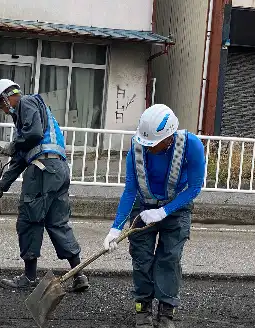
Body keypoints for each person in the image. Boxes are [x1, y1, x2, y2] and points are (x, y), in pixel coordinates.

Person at [103, 104, 205, 328]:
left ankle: (166, 311)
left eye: (153, 144)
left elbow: (195, 187)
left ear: (169, 137)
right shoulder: (137, 147)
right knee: (141, 257)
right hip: (144, 207)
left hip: (176, 207)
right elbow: (130, 190)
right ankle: (143, 307)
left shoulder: (192, 146)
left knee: (169, 257)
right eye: (145, 143)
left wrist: (164, 211)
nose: (148, 148)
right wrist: (116, 228)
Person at [0, 79, 89, 292]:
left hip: (42, 169)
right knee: (57, 223)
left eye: (2, 105)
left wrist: (14, 145)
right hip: (58, 169)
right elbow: (19, 161)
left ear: (7, 97)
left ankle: (30, 277)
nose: (4, 111)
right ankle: (79, 274)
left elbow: (32, 137)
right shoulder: (35, 114)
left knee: (29, 219)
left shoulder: (26, 103)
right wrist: (1, 187)